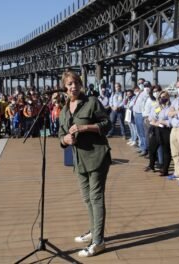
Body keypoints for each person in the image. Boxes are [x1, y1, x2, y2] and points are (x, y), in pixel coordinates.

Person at [58, 71, 111, 258]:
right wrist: (65, 140)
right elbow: (60, 135)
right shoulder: (64, 110)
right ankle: (93, 230)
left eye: (76, 83)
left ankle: (98, 242)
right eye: (69, 84)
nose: (73, 86)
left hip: (97, 157)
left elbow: (107, 124)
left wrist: (85, 127)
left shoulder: (92, 102)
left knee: (96, 197)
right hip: (78, 160)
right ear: (65, 87)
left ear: (80, 85)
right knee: (87, 198)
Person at [145, 90, 172, 176]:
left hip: (165, 130)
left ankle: (165, 169)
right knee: (152, 148)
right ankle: (151, 165)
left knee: (166, 150)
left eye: (164, 97)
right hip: (155, 129)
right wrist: (154, 121)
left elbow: (170, 120)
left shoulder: (171, 107)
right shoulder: (157, 107)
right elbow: (151, 117)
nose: (162, 98)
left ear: (168, 97)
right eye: (160, 97)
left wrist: (161, 121)